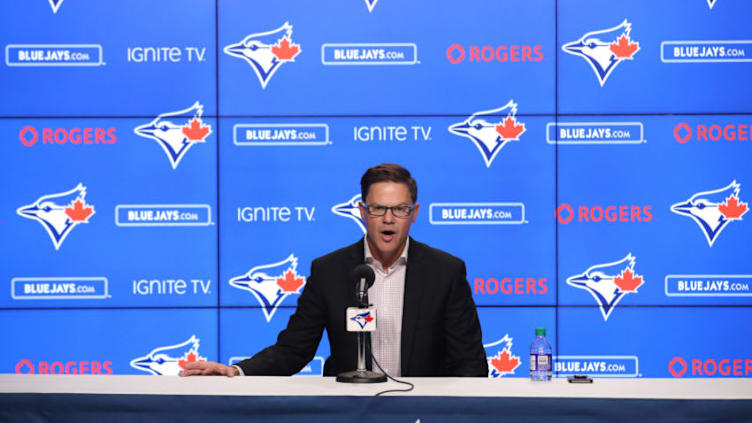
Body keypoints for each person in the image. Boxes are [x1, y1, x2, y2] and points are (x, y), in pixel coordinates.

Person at [182, 163, 488, 377]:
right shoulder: (329, 270)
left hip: (421, 413)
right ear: (362, 212)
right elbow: (294, 349)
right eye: (378, 208)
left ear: (414, 214)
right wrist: (237, 370)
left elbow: (470, 363)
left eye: (400, 209)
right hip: (350, 409)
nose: (389, 218)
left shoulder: (445, 271)